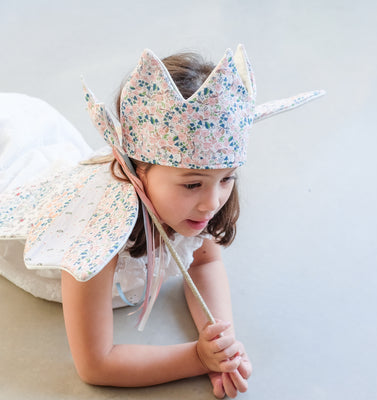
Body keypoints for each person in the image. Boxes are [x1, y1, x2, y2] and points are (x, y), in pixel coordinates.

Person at [0, 44, 324, 398]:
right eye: (192, 183)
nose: (212, 203)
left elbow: (205, 262)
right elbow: (95, 364)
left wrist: (220, 339)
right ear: (138, 170)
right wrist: (198, 358)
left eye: (228, 178)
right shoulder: (93, 235)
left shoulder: (197, 205)